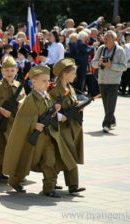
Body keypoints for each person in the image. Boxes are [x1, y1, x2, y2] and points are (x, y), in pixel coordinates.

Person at [2, 65, 65, 198]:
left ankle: (49, 188)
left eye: (48, 81)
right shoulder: (30, 99)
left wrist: (54, 110)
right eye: (44, 81)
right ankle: (15, 180)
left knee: (50, 161)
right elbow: (22, 118)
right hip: (34, 137)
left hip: (46, 136)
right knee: (26, 160)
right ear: (34, 82)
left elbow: (47, 113)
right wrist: (34, 124)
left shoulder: (47, 97)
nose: (47, 83)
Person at [49, 58, 86, 194]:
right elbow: (49, 108)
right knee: (66, 153)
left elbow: (72, 104)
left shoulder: (70, 88)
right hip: (59, 127)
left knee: (66, 154)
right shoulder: (54, 90)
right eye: (73, 73)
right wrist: (60, 116)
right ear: (64, 74)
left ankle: (70, 184)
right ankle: (68, 184)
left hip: (71, 126)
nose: (75, 76)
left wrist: (78, 107)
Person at [0, 56, 25, 179]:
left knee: (15, 146)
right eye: (6, 70)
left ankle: (14, 170)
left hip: (15, 120)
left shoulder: (18, 85)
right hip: (2, 120)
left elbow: (24, 100)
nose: (9, 73)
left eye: (12, 70)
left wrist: (21, 103)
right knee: (1, 145)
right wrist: (0, 109)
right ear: (2, 71)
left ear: (16, 70)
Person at [91, 30, 127, 133]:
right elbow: (93, 63)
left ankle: (106, 124)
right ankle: (112, 120)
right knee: (106, 105)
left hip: (114, 81)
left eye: (107, 38)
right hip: (102, 80)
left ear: (114, 39)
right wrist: (99, 63)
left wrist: (111, 66)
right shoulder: (101, 49)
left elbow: (124, 67)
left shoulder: (120, 50)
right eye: (104, 38)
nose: (105, 40)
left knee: (111, 103)